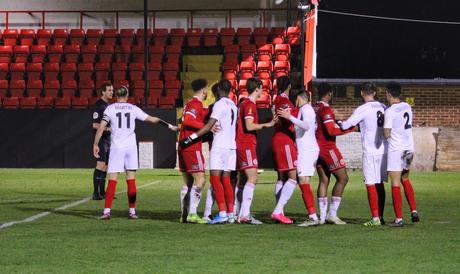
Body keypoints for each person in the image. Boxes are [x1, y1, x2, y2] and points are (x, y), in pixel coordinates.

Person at [93, 86, 178, 220]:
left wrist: (95, 144)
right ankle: (132, 211)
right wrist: (169, 126)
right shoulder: (133, 108)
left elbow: (101, 128)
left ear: (116, 96)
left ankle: (107, 211)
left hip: (117, 147)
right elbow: (152, 119)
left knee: (113, 180)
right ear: (127, 96)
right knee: (131, 179)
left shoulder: (110, 108)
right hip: (130, 147)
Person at [179, 79, 237, 224]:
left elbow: (192, 120)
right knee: (223, 180)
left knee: (208, 180)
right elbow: (188, 119)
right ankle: (230, 214)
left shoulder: (211, 105)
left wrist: (191, 136)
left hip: (216, 146)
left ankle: (215, 213)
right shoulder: (234, 106)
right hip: (231, 147)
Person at [338, 82, 387, 226]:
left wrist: (339, 122)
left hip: (370, 151)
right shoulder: (383, 107)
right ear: (375, 93)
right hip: (383, 150)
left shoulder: (363, 109)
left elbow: (346, 125)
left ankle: (375, 218)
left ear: (361, 93)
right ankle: (381, 216)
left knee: (370, 183)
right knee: (379, 183)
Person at [312, 83, 356, 225]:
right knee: (343, 179)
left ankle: (322, 217)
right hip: (328, 148)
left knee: (324, 180)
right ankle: (332, 214)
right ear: (329, 93)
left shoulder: (315, 107)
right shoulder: (326, 109)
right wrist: (351, 129)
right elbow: (331, 131)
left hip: (317, 147)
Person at [235, 77, 276, 224]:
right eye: (262, 88)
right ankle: (245, 215)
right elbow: (249, 126)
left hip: (242, 144)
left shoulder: (244, 104)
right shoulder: (250, 105)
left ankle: (238, 212)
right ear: (257, 88)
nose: (263, 91)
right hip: (246, 144)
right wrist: (267, 125)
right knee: (253, 178)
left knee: (243, 180)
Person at [277, 90, 320, 227]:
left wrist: (290, 117)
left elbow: (306, 126)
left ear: (299, 98)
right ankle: (312, 216)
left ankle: (312, 217)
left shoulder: (306, 109)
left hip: (307, 151)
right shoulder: (307, 109)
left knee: (302, 181)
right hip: (309, 149)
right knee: (304, 181)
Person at [383, 82, 419, 227]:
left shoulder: (390, 111)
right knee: (405, 178)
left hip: (396, 149)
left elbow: (386, 133)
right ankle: (414, 211)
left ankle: (399, 219)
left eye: (386, 93)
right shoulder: (407, 106)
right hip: (409, 148)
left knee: (395, 182)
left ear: (389, 94)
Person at [178, 79, 209, 224]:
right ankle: (192, 213)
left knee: (188, 181)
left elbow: (184, 119)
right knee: (200, 180)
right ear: (204, 90)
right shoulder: (195, 104)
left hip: (184, 145)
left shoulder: (191, 104)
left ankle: (184, 214)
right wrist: (206, 126)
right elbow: (188, 120)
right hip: (191, 146)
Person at [270, 76, 298, 224]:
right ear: (289, 85)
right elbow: (289, 120)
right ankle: (277, 211)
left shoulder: (276, 100)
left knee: (282, 177)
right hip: (284, 140)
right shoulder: (285, 101)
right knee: (293, 177)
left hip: (277, 138)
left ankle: (279, 211)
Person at [91, 83, 113, 200]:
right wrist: (108, 128)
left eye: (112, 90)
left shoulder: (107, 105)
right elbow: (95, 124)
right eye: (109, 90)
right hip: (101, 139)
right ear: (103, 92)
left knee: (105, 166)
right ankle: (95, 193)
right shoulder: (99, 106)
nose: (111, 92)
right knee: (100, 165)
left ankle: (102, 192)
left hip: (107, 139)